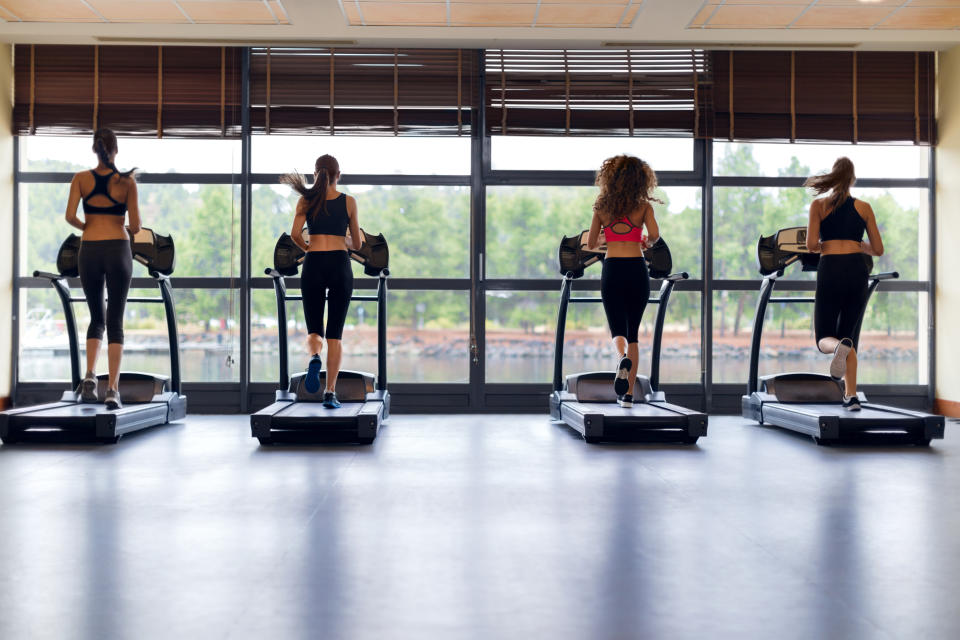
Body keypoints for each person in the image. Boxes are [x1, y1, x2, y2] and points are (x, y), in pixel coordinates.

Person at [63, 128, 141, 410]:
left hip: (90, 251)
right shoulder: (127, 182)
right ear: (115, 150)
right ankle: (112, 391)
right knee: (115, 322)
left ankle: (90, 376)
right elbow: (135, 226)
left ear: (95, 150)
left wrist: (89, 228)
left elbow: (70, 216)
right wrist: (124, 226)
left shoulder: (81, 179)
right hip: (118, 250)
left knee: (97, 317)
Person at [281, 155, 362, 409]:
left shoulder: (306, 200)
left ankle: (315, 356)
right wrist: (346, 240)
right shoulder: (349, 201)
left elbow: (294, 234)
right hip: (339, 263)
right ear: (339, 175)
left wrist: (308, 247)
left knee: (314, 330)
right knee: (335, 336)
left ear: (315, 174)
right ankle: (329, 392)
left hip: (313, 263)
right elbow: (358, 244)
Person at [804, 157, 884, 411]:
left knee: (824, 338)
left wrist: (825, 244)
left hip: (830, 268)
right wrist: (858, 245)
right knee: (850, 336)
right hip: (856, 270)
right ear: (852, 179)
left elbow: (810, 245)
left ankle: (837, 347)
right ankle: (851, 396)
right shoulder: (864, 207)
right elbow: (879, 250)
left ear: (833, 176)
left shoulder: (818, 205)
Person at [587, 155, 660, 408]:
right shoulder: (644, 207)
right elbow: (654, 236)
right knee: (633, 334)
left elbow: (590, 244)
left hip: (613, 268)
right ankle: (628, 397)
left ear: (610, 179)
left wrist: (607, 240)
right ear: (640, 180)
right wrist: (644, 242)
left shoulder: (601, 207)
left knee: (616, 327)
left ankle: (621, 359)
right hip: (637, 269)